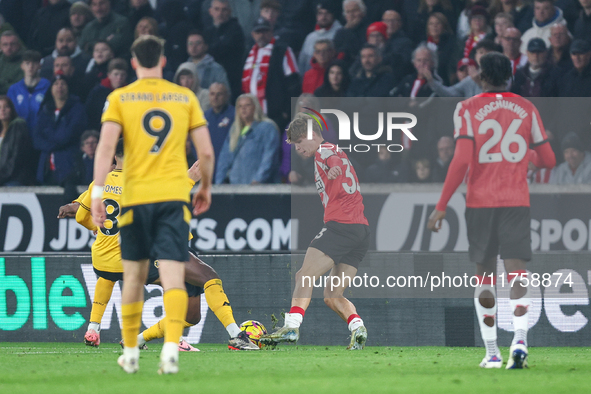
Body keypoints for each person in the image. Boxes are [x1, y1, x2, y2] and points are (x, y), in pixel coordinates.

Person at [91, 35, 214, 374]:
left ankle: (131, 354)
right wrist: (205, 187)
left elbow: (104, 150)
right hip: (174, 199)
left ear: (132, 63)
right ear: (163, 61)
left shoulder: (120, 97)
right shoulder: (185, 97)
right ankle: (171, 350)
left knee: (133, 278)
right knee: (173, 277)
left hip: (136, 198)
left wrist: (99, 193)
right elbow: (204, 152)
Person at [427, 52, 556, 369]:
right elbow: (549, 160)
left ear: (480, 77)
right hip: (515, 200)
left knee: (483, 276)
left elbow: (461, 160)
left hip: (480, 202)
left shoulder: (467, 108)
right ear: (510, 77)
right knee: (516, 273)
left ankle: (492, 352)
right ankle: (521, 339)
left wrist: (441, 206)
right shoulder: (527, 108)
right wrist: (527, 158)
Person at [61, 145, 258, 352]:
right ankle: (237, 336)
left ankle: (136, 340)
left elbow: (82, 212)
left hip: (126, 254)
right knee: (207, 277)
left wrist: (96, 223)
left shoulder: (103, 182)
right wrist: (190, 178)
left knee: (192, 316)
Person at [260, 112, 369, 350]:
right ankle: (357, 327)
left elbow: (335, 163)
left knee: (303, 276)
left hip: (341, 225)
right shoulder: (332, 150)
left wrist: (334, 171)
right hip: (360, 230)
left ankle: (291, 326)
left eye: (299, 142)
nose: (298, 148)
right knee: (332, 295)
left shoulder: (324, 151)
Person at [242, 17, 300, 131]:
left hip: (276, 116)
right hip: (253, 116)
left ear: (271, 32)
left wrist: (286, 112)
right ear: (253, 34)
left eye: (265, 31)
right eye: (258, 32)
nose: (261, 35)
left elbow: (293, 83)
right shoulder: (248, 54)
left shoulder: (282, 50)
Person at [32, 73, 87, 187]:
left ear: (68, 87)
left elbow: (69, 134)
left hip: (68, 166)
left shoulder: (77, 108)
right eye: (56, 84)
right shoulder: (45, 110)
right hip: (46, 169)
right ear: (51, 89)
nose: (59, 86)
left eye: (63, 83)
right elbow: (36, 138)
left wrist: (49, 141)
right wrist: (53, 143)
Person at [215, 94, 279, 184]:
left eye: (247, 105)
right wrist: (219, 183)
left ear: (255, 107)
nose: (243, 109)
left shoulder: (267, 128)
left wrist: (258, 179)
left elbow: (269, 156)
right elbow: (224, 158)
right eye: (240, 106)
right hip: (235, 185)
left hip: (259, 186)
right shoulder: (234, 130)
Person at [204, 0, 245, 102]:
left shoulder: (235, 29)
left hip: (231, 80)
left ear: (229, 12)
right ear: (210, 11)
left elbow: (222, 49)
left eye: (224, 10)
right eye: (217, 9)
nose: (220, 13)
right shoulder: (207, 31)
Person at [7, 50, 50, 131]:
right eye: (27, 63)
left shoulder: (48, 87)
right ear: (22, 66)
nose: (30, 67)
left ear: (40, 65)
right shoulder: (13, 90)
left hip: (41, 133)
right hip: (18, 133)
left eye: (34, 63)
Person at [298, 1, 342, 74]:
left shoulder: (340, 34)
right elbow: (302, 63)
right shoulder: (310, 37)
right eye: (320, 13)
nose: (323, 17)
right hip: (311, 81)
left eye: (327, 13)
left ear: (333, 15)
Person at [0, 95, 35, 186]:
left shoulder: (18, 125)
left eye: (6, 106)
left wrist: (1, 178)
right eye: (0, 107)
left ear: (11, 109)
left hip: (15, 179)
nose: (2, 110)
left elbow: (16, 158)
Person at [85, 58, 128, 131]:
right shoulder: (97, 92)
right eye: (116, 74)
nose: (119, 78)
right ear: (109, 75)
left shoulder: (128, 93)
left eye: (122, 75)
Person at [204, 82, 234, 171]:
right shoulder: (203, 117)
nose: (215, 98)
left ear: (227, 96)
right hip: (207, 166)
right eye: (212, 94)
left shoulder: (235, 115)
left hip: (227, 167)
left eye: (219, 94)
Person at [333, 0, 368, 64]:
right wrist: (347, 30)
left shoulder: (369, 29)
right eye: (348, 12)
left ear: (362, 12)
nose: (351, 15)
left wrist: (348, 30)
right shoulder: (340, 32)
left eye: (354, 11)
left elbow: (358, 48)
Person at [0, 30, 24, 95]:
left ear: (18, 45)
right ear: (0, 47)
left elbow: (20, 86)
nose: (9, 48)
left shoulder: (26, 61)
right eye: (5, 44)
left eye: (12, 44)